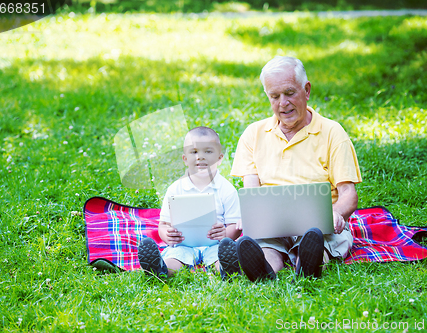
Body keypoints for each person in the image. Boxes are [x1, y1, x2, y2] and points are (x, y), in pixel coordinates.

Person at [229, 56, 362, 281]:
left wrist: (336, 214)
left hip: (318, 224)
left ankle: (308, 264)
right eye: (274, 96)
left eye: (289, 93)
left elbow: (348, 194)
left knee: (316, 239)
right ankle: (266, 271)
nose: (283, 103)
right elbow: (252, 192)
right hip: (273, 222)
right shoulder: (254, 134)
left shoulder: (332, 132)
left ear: (306, 90)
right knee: (264, 244)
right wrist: (252, 217)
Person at [138, 126, 242, 279]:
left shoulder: (227, 189)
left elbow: (236, 226)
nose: (200, 157)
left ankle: (227, 269)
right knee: (175, 257)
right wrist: (167, 235)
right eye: (194, 152)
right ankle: (159, 269)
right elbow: (163, 224)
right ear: (185, 159)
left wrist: (226, 234)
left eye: (208, 151)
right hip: (183, 243)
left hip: (215, 244)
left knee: (221, 256)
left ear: (220, 158)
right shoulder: (175, 189)